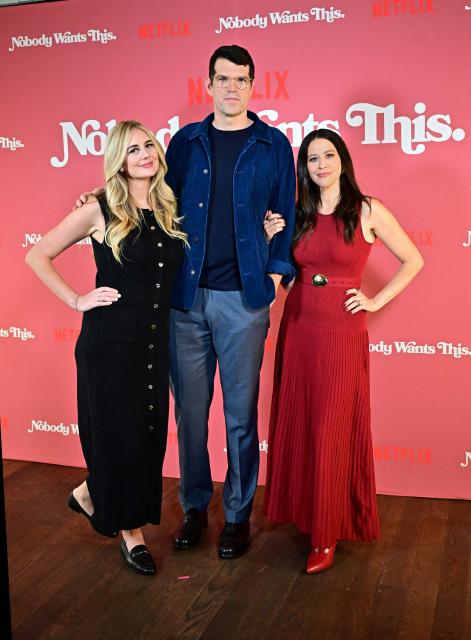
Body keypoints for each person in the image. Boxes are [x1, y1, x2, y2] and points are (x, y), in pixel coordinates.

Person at [25, 120, 185, 575]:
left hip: (154, 341)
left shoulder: (166, 206)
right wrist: (77, 300)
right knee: (121, 439)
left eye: (148, 145)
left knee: (147, 435)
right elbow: (38, 254)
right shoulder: (99, 208)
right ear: (119, 159)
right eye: (132, 149)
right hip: (110, 344)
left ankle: (90, 492)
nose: (144, 155)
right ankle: (130, 534)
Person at [263, 128, 424, 574]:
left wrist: (373, 300)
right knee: (304, 422)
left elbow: (414, 259)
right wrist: (268, 238)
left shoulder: (367, 209)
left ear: (342, 160)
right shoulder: (299, 213)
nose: (320, 165)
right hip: (298, 326)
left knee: (333, 428)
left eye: (328, 156)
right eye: (312, 159)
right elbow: (288, 275)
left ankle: (326, 533)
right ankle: (307, 513)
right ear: (304, 168)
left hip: (341, 329)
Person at [165, 45, 296, 559]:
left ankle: (237, 516)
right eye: (223, 78)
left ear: (253, 83)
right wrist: (99, 200)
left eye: (241, 79)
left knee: (240, 417)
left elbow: (287, 210)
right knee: (190, 417)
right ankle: (195, 508)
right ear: (209, 83)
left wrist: (273, 277)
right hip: (186, 299)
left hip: (244, 300)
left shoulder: (272, 145)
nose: (232, 87)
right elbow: (154, 203)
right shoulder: (184, 143)